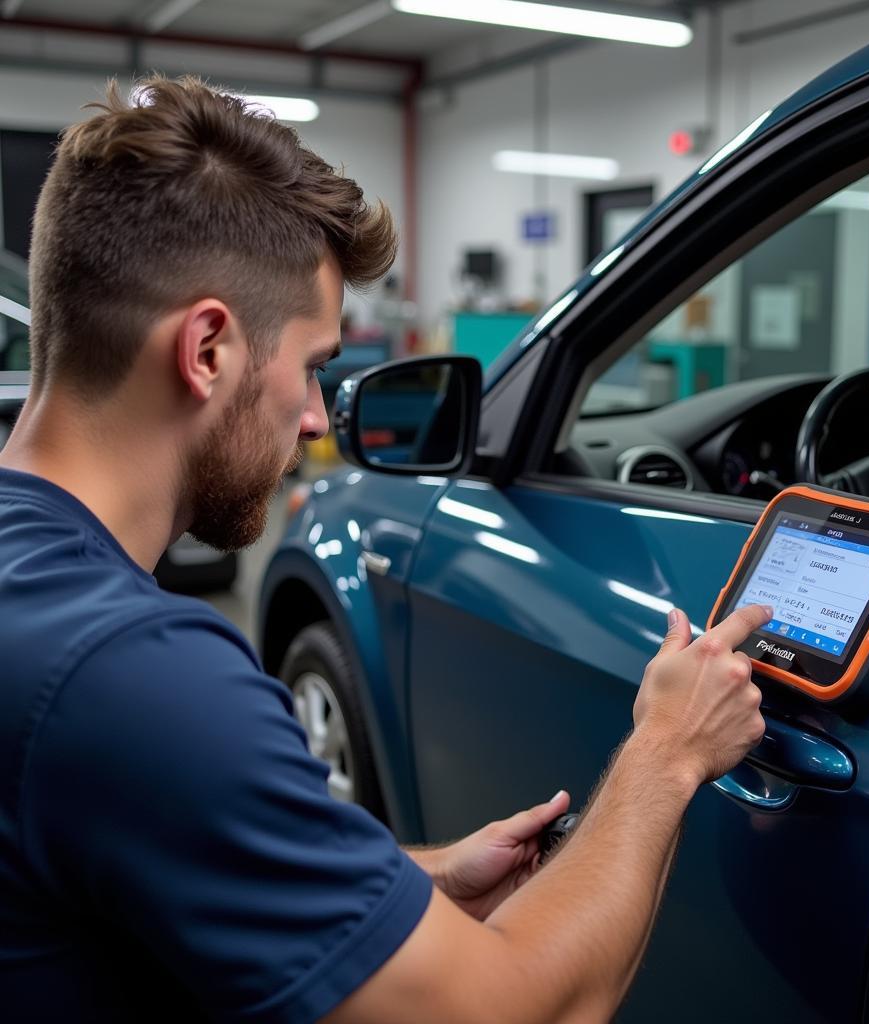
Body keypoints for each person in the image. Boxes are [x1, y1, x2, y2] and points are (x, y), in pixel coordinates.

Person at [0, 75, 768, 1023]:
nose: (319, 414)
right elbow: (514, 1012)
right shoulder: (135, 675)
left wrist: (417, 879)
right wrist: (669, 751)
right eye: (316, 366)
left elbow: (146, 832)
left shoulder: (39, 596)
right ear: (207, 351)